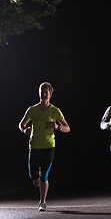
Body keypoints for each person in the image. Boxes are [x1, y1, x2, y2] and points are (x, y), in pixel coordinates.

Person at [18, 82, 70, 211]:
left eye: (46, 92)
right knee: (33, 175)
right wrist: (25, 130)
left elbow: (67, 128)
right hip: (34, 146)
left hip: (49, 146)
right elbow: (21, 124)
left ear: (50, 94)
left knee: (45, 175)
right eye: (42, 91)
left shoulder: (55, 111)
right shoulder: (32, 110)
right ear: (39, 93)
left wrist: (57, 127)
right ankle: (35, 178)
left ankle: (42, 201)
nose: (44, 94)